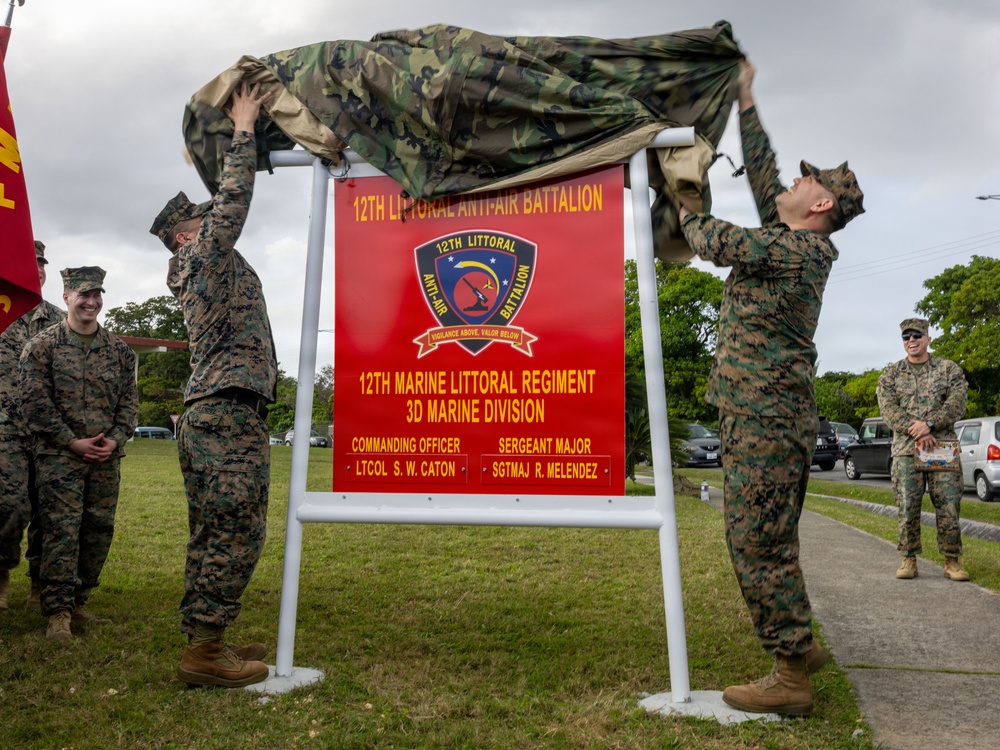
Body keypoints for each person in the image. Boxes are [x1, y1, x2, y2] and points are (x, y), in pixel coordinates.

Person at [678, 59, 864, 716]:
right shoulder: (797, 241)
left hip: (765, 419)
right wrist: (747, 100)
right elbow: (763, 175)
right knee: (770, 537)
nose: (790, 178)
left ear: (821, 204)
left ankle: (790, 677)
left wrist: (682, 195)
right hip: (765, 416)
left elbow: (712, 238)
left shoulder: (797, 251)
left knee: (755, 540)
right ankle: (800, 646)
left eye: (804, 179)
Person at [149, 81, 277, 688]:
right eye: (201, 220)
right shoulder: (202, 257)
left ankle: (208, 635)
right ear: (184, 234)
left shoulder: (202, 263)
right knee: (235, 529)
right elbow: (233, 201)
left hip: (212, 412)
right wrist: (246, 127)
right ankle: (205, 652)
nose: (211, 218)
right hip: (225, 412)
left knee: (213, 528)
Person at [18, 266, 138, 641]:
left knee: (98, 530)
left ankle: (80, 599)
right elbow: (34, 404)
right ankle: (57, 612)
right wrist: (72, 442)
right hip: (60, 457)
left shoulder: (119, 352)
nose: (91, 301)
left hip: (105, 459)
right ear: (66, 297)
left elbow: (129, 404)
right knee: (62, 531)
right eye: (83, 294)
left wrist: (115, 440)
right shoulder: (42, 346)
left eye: (97, 294)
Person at [876, 317, 969, 582]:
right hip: (906, 450)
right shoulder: (891, 374)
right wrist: (915, 429)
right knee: (907, 506)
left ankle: (952, 561)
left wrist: (930, 424)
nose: (912, 341)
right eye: (907, 337)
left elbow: (957, 402)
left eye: (917, 336)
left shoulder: (949, 369)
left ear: (928, 338)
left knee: (949, 506)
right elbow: (889, 410)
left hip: (941, 448)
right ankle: (908, 559)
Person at [0, 241, 66, 612]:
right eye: (30, 262)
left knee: (51, 512)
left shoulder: (59, 319)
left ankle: (41, 585)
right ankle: (1, 572)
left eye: (41, 263)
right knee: (8, 505)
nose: (38, 269)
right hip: (6, 429)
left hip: (50, 432)